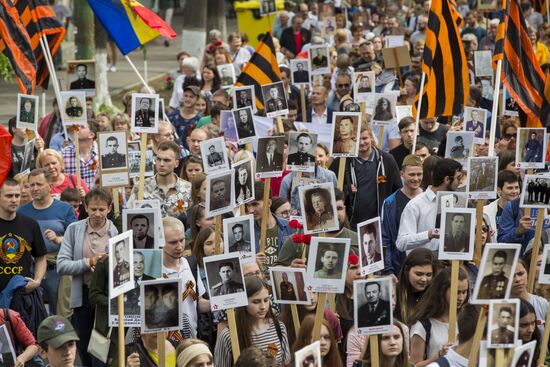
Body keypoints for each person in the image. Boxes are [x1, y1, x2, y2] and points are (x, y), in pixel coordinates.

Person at [57, 188, 118, 367]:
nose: (97, 214)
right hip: (83, 296)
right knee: (83, 346)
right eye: (93, 209)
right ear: (85, 207)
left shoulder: (117, 233)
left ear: (109, 208)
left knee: (102, 347)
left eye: (101, 209)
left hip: (107, 298)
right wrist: (89, 262)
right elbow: (61, 265)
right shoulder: (74, 230)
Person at [17, 169, 77, 315]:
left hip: (56, 268)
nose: (35, 188)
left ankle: (57, 337)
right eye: (31, 185)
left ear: (50, 186)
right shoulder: (21, 212)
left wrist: (58, 239)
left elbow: (75, 238)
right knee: (31, 310)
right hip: (29, 268)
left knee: (59, 313)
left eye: (39, 184)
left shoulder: (65, 209)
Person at [330, 124, 402, 228]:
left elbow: (398, 190)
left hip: (379, 223)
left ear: (371, 138)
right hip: (350, 223)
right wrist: (345, 190)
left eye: (364, 138)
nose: (361, 143)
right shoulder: (341, 162)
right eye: (356, 139)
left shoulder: (387, 160)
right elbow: (330, 191)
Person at [214, 276, 290, 367]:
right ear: (243, 302)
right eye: (256, 302)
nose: (263, 306)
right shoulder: (229, 336)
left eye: (266, 300)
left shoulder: (279, 327)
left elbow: (286, 363)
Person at [397, 158, 463, 253]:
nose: (460, 182)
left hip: (449, 263)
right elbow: (401, 243)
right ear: (447, 179)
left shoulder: (455, 202)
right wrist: (429, 234)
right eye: (458, 178)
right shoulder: (415, 205)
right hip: (423, 264)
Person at [409, 267, 470, 367]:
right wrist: (439, 355)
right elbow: (414, 365)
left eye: (464, 292)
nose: (461, 298)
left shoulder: (468, 320)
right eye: (457, 292)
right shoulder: (423, 325)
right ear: (442, 291)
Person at [162, 217, 210, 335]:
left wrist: (221, 301)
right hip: (166, 343)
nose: (179, 246)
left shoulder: (191, 264)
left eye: (182, 240)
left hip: (191, 338)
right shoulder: (153, 272)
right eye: (173, 242)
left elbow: (198, 303)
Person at [382, 155, 424, 276]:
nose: (416, 178)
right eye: (412, 174)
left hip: (426, 266)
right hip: (399, 266)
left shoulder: (430, 199)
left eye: (419, 174)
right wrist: (388, 270)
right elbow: (386, 238)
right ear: (402, 174)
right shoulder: (390, 203)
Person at [127, 141, 192, 217]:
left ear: (176, 163)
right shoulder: (140, 187)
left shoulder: (188, 189)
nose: (161, 164)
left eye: (167, 160)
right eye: (158, 159)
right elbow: (130, 217)